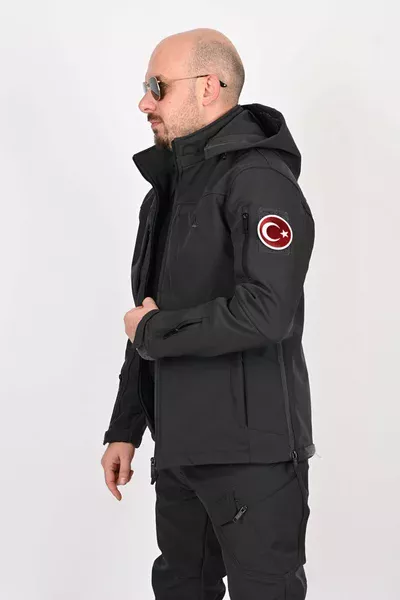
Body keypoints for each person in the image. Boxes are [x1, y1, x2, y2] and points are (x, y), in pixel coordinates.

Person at [100, 27, 316, 600]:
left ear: (209, 87)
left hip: (253, 458)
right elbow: (147, 318)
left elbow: (266, 312)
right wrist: (125, 428)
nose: (144, 102)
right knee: (179, 588)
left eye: (157, 86)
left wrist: (154, 330)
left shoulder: (260, 180)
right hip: (179, 452)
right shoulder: (164, 194)